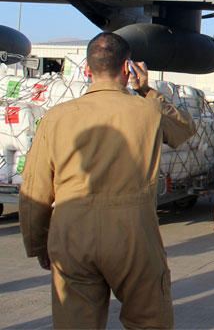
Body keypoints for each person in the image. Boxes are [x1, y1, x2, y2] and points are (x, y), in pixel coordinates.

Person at [19, 32, 195, 329]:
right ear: (128, 68)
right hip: (132, 233)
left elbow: (35, 187)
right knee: (149, 320)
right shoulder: (148, 111)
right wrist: (147, 90)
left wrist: (38, 244)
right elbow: (184, 129)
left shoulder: (56, 117)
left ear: (87, 69)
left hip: (71, 232)